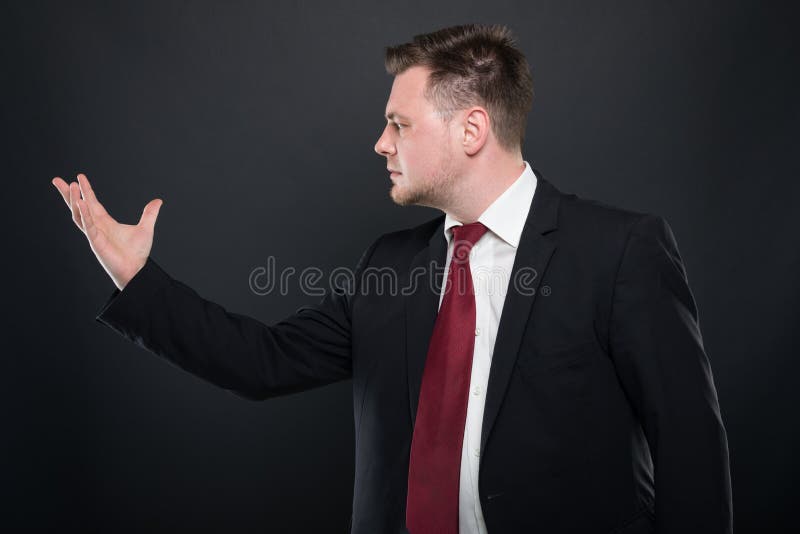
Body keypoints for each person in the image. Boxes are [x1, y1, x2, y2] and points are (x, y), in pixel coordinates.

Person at [51, 24, 732, 534]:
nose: (381, 144)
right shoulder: (390, 266)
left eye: (398, 124)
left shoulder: (619, 250)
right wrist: (135, 275)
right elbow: (260, 361)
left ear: (471, 129)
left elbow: (692, 458)